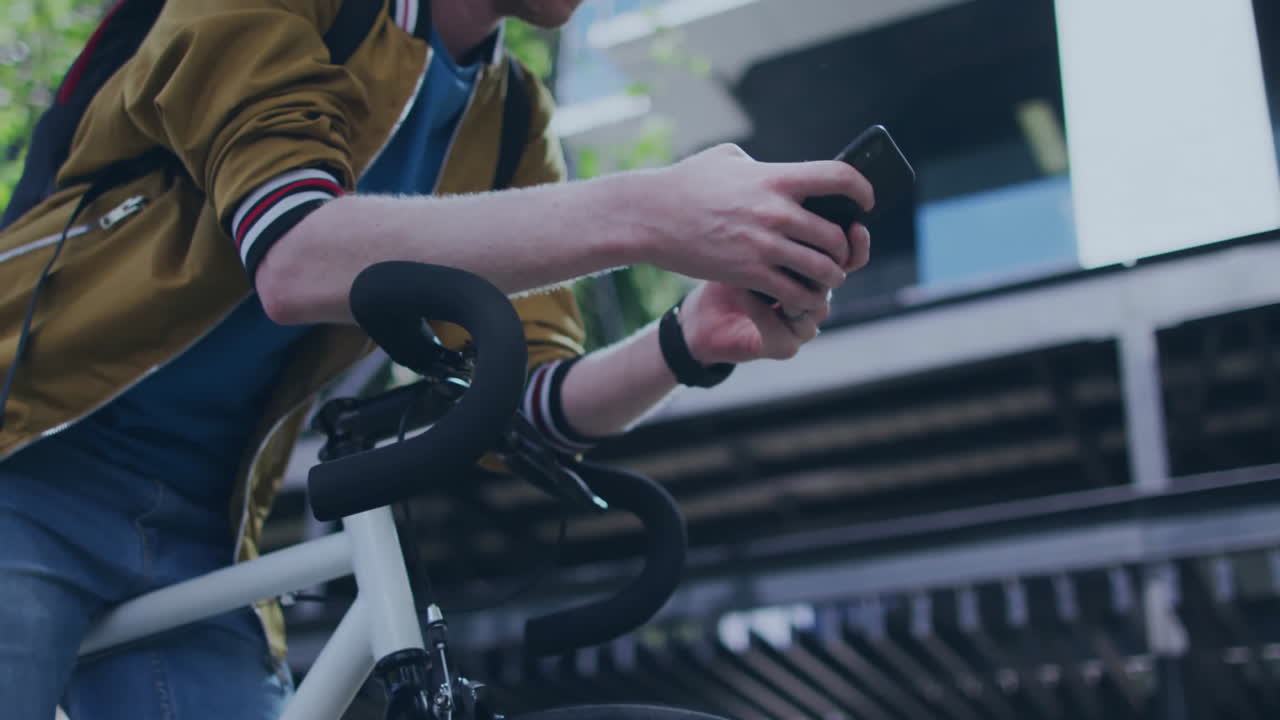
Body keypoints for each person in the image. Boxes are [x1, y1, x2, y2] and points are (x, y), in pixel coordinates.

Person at [0, 0, 874, 717]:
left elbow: (522, 404)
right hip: (25, 458)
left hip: (204, 526)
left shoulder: (511, 116)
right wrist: (652, 213)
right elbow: (298, 255)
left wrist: (686, 341)